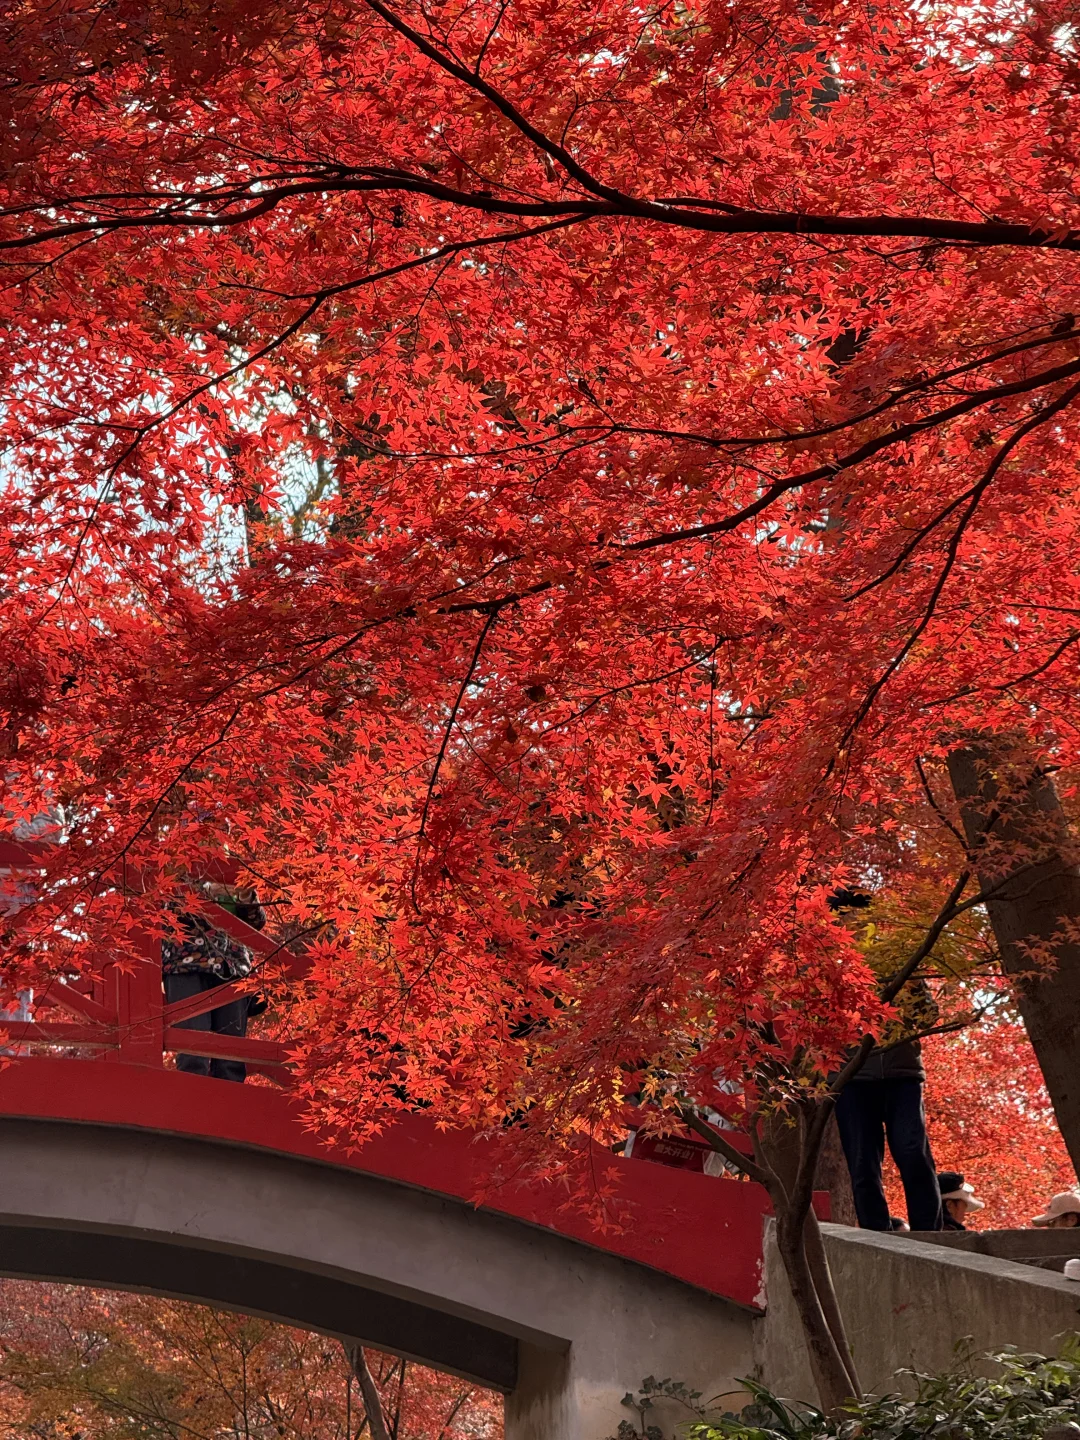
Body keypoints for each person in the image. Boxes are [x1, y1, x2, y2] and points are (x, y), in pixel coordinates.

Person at [163, 886, 266, 1083]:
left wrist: (246, 897)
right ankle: (191, 1107)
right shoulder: (177, 869)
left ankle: (230, 1108)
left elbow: (256, 923)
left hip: (233, 966)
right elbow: (168, 913)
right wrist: (205, 893)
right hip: (186, 964)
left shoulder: (231, 871)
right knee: (192, 1051)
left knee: (231, 1056)